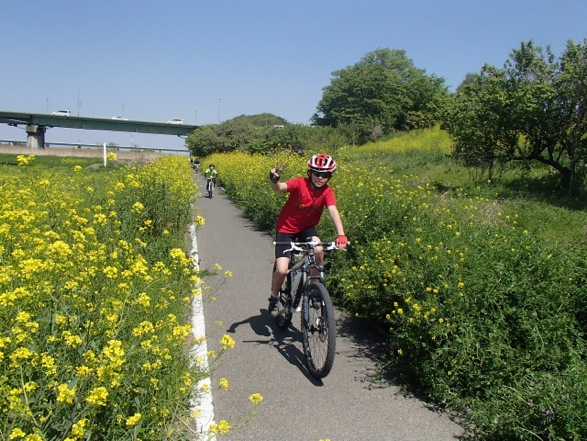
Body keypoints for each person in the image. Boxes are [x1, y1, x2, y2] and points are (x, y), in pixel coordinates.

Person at [267, 153, 348, 316]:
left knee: (318, 250)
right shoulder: (299, 183)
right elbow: (279, 187)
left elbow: (332, 210)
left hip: (306, 229)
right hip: (286, 229)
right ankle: (274, 297)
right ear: (310, 172)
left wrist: (341, 234)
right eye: (316, 173)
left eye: (324, 175)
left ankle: (315, 286)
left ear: (329, 176)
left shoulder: (327, 191)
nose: (320, 177)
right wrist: (273, 179)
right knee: (282, 269)